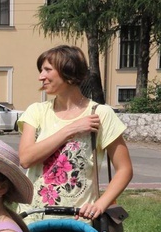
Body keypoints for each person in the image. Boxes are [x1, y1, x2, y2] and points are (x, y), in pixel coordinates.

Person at [18, 45, 133, 222]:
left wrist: (100, 204)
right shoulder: (36, 112)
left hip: (78, 222)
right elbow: (26, 158)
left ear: (68, 73)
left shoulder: (100, 114)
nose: (41, 76)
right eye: (41, 70)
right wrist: (71, 129)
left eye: (48, 70)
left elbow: (124, 169)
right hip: (32, 219)